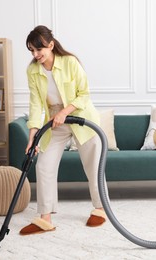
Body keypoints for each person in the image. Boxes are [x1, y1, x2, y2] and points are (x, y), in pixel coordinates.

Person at [20, 25, 106, 235]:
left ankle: (100, 208)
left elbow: (84, 95)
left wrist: (65, 112)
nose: (35, 54)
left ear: (50, 45)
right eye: (31, 50)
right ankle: (45, 218)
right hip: (55, 122)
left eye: (39, 49)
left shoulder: (70, 62)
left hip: (81, 117)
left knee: (93, 166)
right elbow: (35, 104)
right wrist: (33, 134)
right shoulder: (33, 70)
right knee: (44, 165)